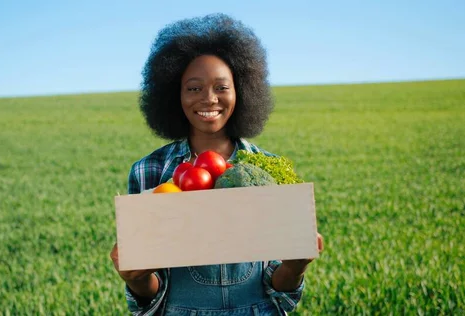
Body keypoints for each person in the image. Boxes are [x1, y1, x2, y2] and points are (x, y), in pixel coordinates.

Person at [110, 13, 324, 315]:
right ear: (175, 95)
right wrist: (136, 279)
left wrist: (296, 267)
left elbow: (281, 293)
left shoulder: (266, 169)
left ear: (242, 91)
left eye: (221, 87)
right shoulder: (148, 171)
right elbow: (149, 295)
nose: (209, 99)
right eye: (194, 88)